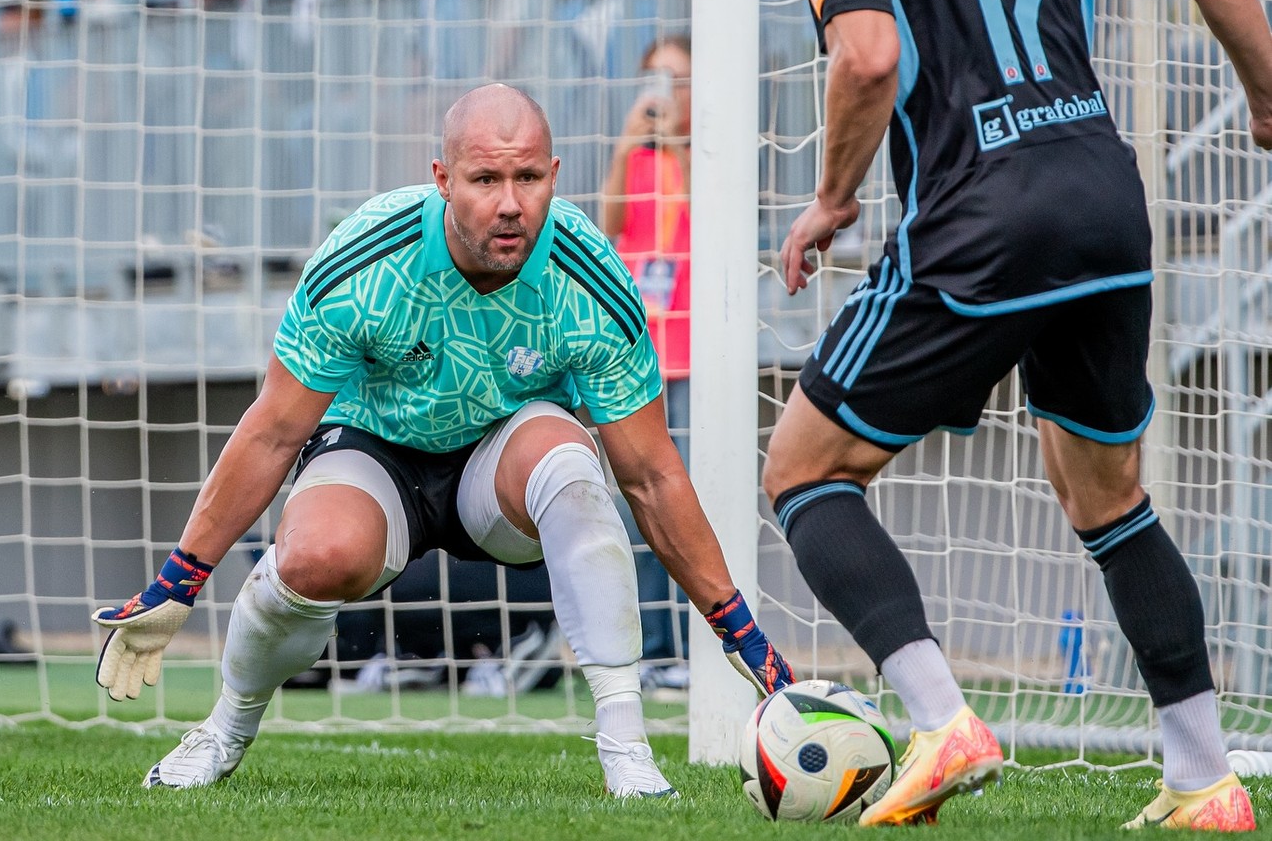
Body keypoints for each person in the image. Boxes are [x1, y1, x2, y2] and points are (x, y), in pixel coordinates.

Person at [762, 0, 1272, 831]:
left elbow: (868, 56)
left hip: (978, 216)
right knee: (1106, 496)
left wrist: (830, 196)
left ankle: (942, 718)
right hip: (1103, 202)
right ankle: (1202, 777)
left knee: (801, 471)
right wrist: (1263, 101)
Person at [93, 85, 792, 797]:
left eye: (527, 178)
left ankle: (627, 750)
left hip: (503, 465)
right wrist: (179, 582)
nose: (510, 203)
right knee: (316, 556)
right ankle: (224, 729)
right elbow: (273, 432)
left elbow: (650, 475)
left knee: (573, 462)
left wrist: (737, 626)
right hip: (376, 449)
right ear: (442, 180)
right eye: (486, 179)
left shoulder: (591, 279)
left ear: (554, 174)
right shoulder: (365, 262)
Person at [602, 36, 692, 682]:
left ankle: (689, 648)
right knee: (636, 508)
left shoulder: (703, 158)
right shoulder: (635, 159)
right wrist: (625, 143)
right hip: (637, 357)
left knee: (685, 502)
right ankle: (652, 651)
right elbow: (610, 222)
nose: (662, 93)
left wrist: (681, 145)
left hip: (688, 359)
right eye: (653, 77)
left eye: (676, 80)